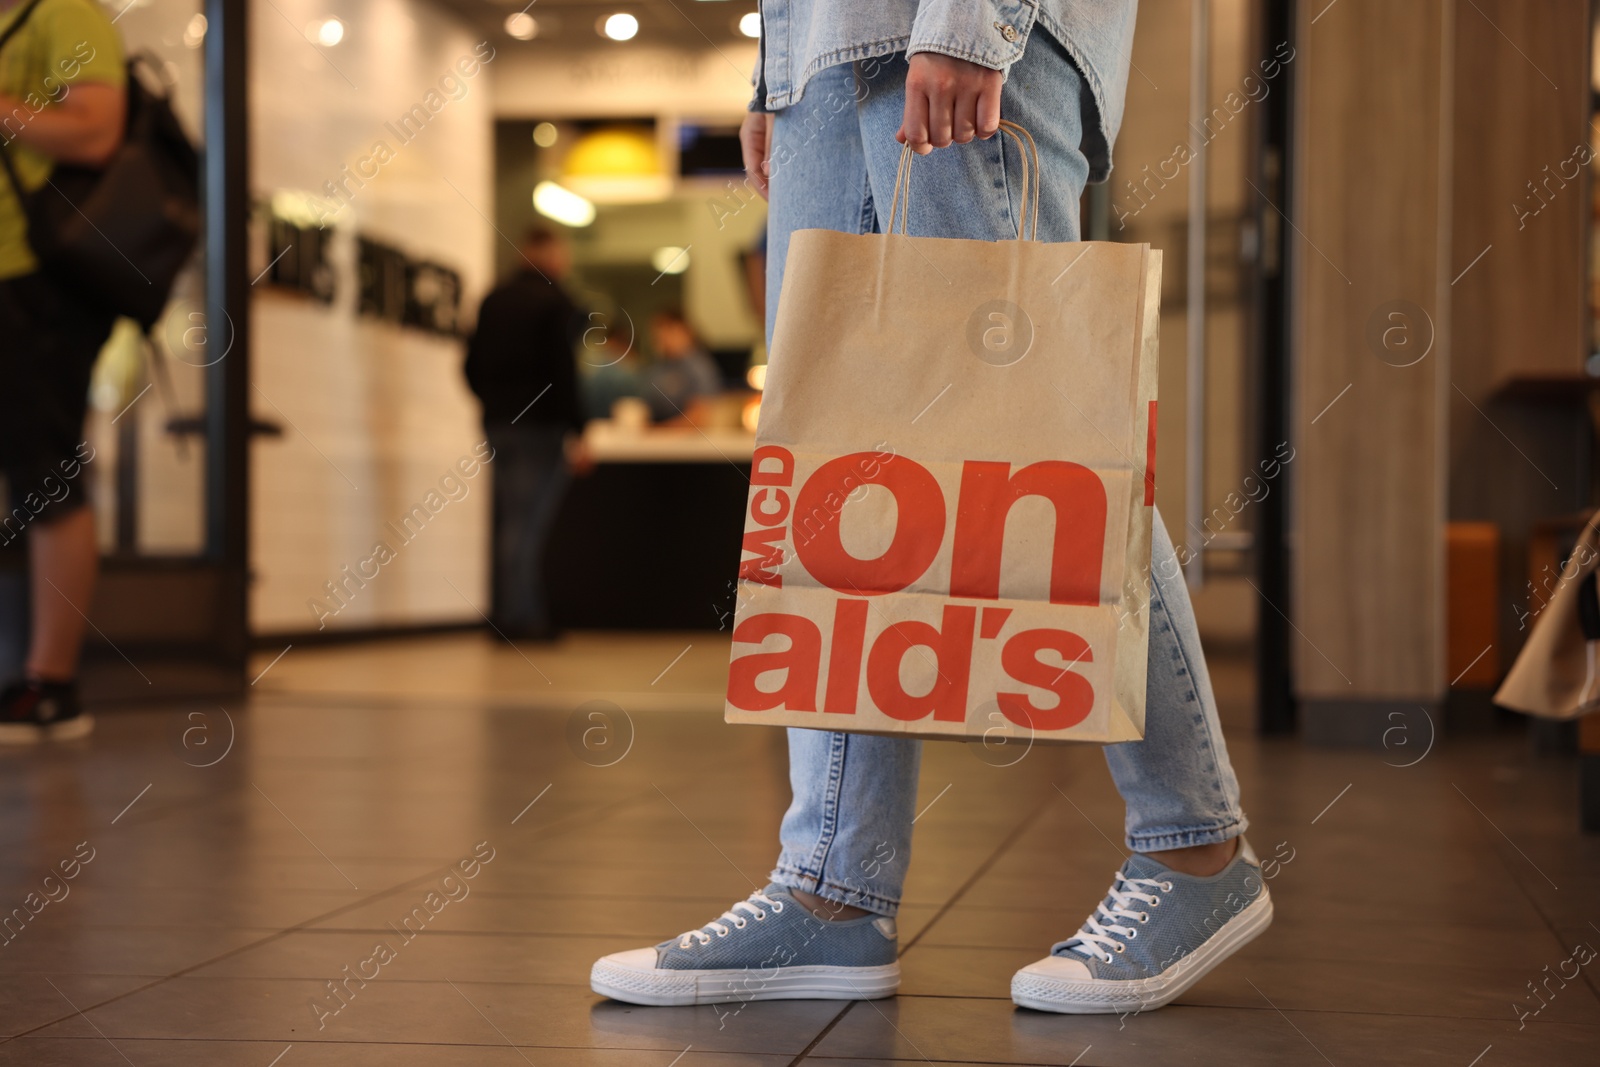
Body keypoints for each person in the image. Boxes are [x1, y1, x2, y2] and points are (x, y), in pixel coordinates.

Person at [591, 0, 1273, 1015]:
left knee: (1047, 440)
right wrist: (772, 73)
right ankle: (831, 888)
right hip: (820, 61)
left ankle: (1196, 846)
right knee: (833, 459)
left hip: (962, 37)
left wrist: (975, 21)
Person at [0, 0, 126, 742]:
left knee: (44, 469)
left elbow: (96, 129)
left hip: (33, 278)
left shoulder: (64, 12)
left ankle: (53, 684)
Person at [464, 224, 590, 642]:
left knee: (510, 521)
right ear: (549, 253)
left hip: (500, 425)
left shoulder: (492, 299)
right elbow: (563, 374)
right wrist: (579, 428)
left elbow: (470, 367)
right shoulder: (555, 302)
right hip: (541, 429)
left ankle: (509, 612)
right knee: (527, 524)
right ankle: (521, 619)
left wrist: (494, 406)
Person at [644, 307, 722, 423]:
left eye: (670, 330)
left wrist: (662, 432)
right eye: (659, 331)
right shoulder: (659, 367)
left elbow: (700, 415)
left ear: (686, 331)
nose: (663, 337)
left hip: (688, 437)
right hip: (658, 433)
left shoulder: (698, 366)